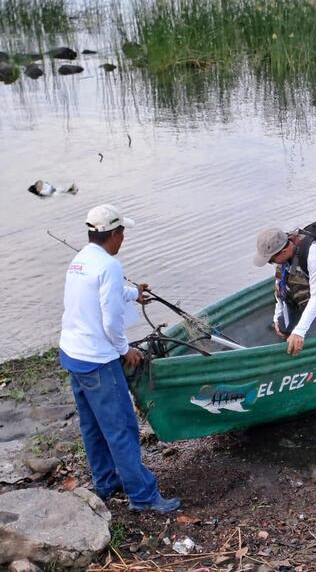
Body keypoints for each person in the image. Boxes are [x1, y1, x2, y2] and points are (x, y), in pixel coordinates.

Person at [58, 204, 181, 514]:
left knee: (92, 425)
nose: (123, 238)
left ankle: (105, 482)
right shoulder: (109, 266)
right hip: (97, 360)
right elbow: (111, 320)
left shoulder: (80, 260)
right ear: (114, 234)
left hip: (72, 354)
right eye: (122, 232)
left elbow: (97, 296)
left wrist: (133, 293)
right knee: (122, 427)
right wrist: (125, 350)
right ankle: (142, 495)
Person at [253, 227, 316, 357]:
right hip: (298, 295)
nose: (271, 263)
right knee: (283, 327)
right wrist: (277, 316)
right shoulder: (279, 257)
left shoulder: (315, 256)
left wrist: (299, 332)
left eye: (270, 260)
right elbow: (279, 283)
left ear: (284, 251)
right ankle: (293, 343)